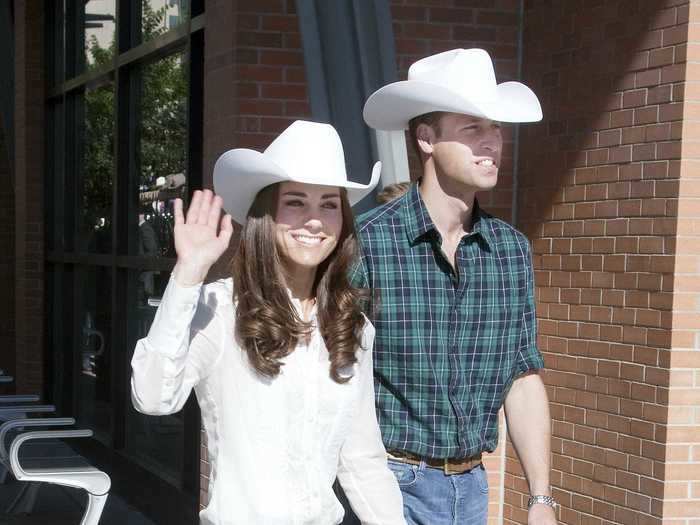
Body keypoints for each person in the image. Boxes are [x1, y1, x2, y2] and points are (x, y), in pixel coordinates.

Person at [130, 120, 406, 525]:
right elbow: (154, 398)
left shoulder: (353, 326)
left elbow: (362, 459)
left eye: (329, 204)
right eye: (296, 202)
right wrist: (187, 274)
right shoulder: (220, 308)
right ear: (265, 215)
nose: (315, 221)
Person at [351, 49, 557, 524]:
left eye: (496, 129)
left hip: (472, 487)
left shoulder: (510, 251)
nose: (492, 144)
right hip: (386, 485)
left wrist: (541, 498)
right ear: (426, 138)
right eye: (472, 129)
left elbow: (522, 377)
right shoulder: (367, 242)